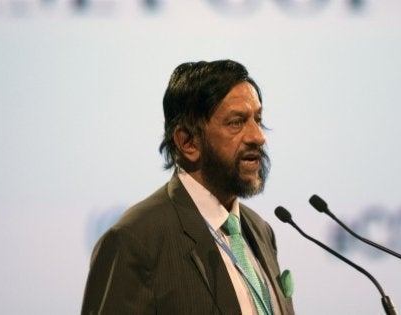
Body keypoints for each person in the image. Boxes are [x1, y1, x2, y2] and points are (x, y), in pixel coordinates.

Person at [81, 60, 294, 315]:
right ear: (188, 142)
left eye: (257, 119)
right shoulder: (134, 242)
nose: (258, 136)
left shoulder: (260, 231)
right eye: (236, 122)